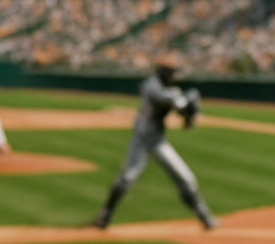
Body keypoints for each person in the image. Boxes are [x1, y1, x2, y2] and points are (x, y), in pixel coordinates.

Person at [91, 64, 217, 229]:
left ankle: (205, 217)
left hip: (158, 140)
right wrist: (188, 102)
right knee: (127, 178)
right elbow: (171, 101)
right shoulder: (153, 87)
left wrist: (188, 111)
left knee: (185, 178)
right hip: (142, 140)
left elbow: (182, 114)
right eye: (172, 74)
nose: (175, 78)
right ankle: (105, 215)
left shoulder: (166, 89)